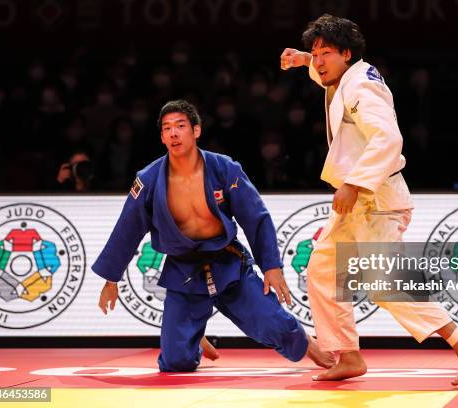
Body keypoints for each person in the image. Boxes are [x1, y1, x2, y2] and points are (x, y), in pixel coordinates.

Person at [280, 14, 458, 384]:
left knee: (384, 282)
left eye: (325, 53)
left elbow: (388, 139)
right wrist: (304, 60)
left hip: (376, 199)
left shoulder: (362, 87)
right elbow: (325, 75)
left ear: (346, 53)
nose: (320, 60)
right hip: (358, 204)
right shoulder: (347, 76)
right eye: (316, 52)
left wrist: (355, 183)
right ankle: (348, 355)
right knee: (322, 273)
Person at [93, 100, 333, 372]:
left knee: (271, 321)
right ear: (161, 136)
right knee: (175, 362)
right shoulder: (148, 180)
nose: (174, 133)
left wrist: (271, 266)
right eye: (167, 128)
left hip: (228, 262)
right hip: (183, 271)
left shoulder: (224, 168)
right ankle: (192, 339)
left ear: (196, 130)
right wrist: (111, 279)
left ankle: (309, 344)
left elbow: (255, 216)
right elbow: (127, 228)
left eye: (181, 126)